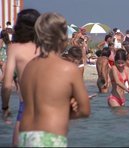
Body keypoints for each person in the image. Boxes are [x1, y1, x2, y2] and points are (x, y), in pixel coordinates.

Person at [18, 12, 90, 147]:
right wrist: (65, 109)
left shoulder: (29, 67)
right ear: (63, 38)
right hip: (49, 137)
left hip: (24, 136)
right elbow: (85, 110)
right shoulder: (68, 68)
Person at [1, 9, 40, 146]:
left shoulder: (15, 49)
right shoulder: (47, 48)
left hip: (26, 111)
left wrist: (5, 107)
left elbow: (6, 85)